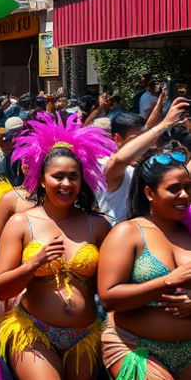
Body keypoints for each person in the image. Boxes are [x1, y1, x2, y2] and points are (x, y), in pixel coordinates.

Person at [0, 113, 116, 380]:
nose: (66, 184)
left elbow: (113, 287)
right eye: (58, 176)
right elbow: (2, 289)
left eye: (73, 177)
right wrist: (34, 263)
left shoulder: (98, 225)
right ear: (41, 179)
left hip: (85, 335)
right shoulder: (21, 223)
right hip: (33, 332)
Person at [97, 146, 191, 380]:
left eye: (188, 187)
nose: (184, 195)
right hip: (134, 347)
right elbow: (108, 297)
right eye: (174, 189)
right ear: (149, 192)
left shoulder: (189, 232)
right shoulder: (127, 232)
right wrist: (167, 281)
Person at [101, 103, 188, 225]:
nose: (144, 146)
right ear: (117, 139)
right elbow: (119, 160)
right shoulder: (111, 168)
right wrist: (165, 123)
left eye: (145, 139)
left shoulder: (146, 168)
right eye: (136, 140)